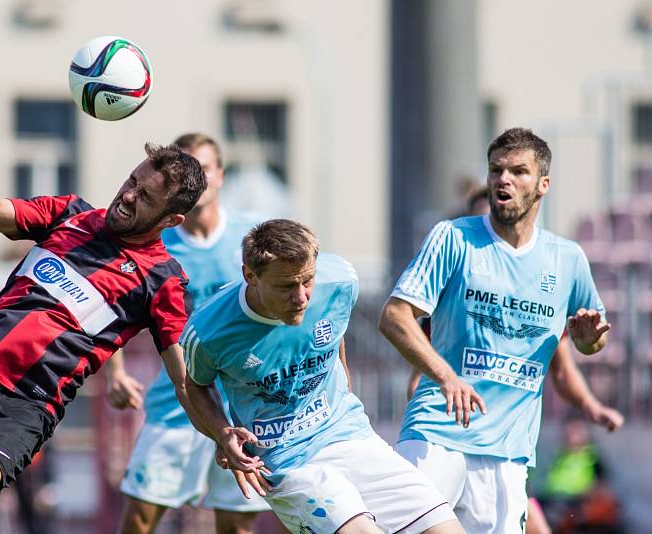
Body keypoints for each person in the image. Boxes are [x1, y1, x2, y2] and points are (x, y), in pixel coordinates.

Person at [0, 143, 207, 534]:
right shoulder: (70, 214)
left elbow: (183, 376)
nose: (129, 195)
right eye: (132, 181)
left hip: (24, 405)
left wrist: (221, 434)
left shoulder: (161, 279)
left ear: (171, 219)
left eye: (146, 196)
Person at [380, 127, 610, 533]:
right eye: (495, 169)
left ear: (543, 185)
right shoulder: (453, 238)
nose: (503, 179)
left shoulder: (568, 260)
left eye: (518, 171)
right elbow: (395, 316)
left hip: (507, 451)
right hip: (437, 432)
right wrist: (446, 377)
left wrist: (590, 340)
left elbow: (592, 341)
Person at [183, 219, 463, 533]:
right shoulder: (208, 331)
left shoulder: (341, 280)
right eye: (286, 286)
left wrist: (342, 398)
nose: (302, 297)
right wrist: (222, 433)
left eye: (308, 281)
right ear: (251, 276)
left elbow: (334, 331)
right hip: (289, 462)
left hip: (352, 436)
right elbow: (195, 384)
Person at [106, 133, 274, 533]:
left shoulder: (253, 237)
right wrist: (115, 373)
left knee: (237, 526)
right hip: (176, 403)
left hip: (244, 406)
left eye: (203, 168)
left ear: (219, 175)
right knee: (140, 521)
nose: (195, 179)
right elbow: (111, 307)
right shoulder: (157, 244)